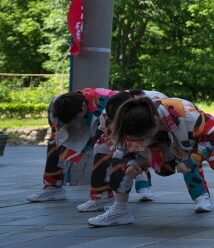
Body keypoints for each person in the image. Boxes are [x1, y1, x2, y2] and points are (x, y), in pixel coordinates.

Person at [86, 94, 214, 229]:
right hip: (161, 151)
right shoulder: (127, 121)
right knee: (118, 156)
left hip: (193, 143)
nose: (140, 141)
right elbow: (124, 147)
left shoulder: (184, 112)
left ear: (156, 121)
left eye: (144, 136)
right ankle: (120, 210)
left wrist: (192, 159)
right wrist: (130, 163)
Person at [26, 88, 157, 209]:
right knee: (55, 143)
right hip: (86, 125)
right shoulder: (56, 104)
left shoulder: (108, 102)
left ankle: (107, 194)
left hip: (111, 124)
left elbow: (123, 138)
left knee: (111, 149)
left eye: (74, 118)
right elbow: (56, 127)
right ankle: (52, 186)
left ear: (83, 107)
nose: (72, 122)